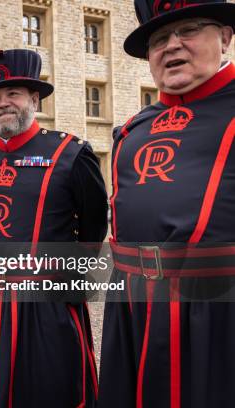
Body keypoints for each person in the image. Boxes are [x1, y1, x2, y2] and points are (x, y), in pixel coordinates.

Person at [99, 1, 235, 407]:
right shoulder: (131, 131)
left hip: (218, 318)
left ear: (225, 37)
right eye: (159, 39)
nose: (172, 45)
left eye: (189, 30)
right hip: (133, 312)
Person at [0, 49, 108, 407]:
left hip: (48, 302)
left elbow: (93, 230)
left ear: (34, 98)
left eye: (12, 93)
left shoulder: (71, 153)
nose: (2, 103)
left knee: (52, 391)